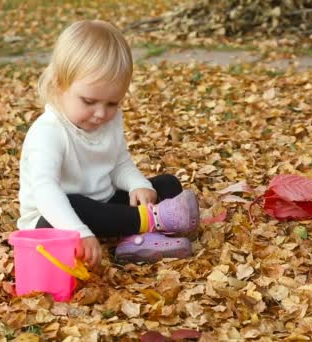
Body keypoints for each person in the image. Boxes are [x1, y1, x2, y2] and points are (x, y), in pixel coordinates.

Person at [17, 20, 199, 269]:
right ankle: (148, 222)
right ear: (60, 85)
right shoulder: (49, 132)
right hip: (54, 221)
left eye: (112, 103)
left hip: (105, 206)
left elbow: (119, 163)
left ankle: (135, 239)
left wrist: (138, 185)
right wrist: (79, 232)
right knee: (73, 203)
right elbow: (45, 192)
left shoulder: (108, 121)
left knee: (168, 185)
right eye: (89, 101)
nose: (101, 113)